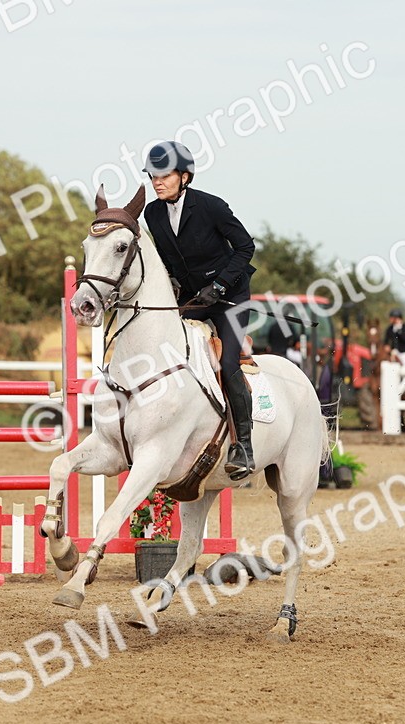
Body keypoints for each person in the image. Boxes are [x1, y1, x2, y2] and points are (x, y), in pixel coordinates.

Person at [142, 140, 257, 480]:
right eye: (153, 177)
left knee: (226, 362)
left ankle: (244, 446)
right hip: (192, 300)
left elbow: (245, 247)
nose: (157, 182)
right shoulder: (152, 213)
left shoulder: (211, 207)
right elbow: (166, 259)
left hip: (229, 298)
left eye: (164, 175)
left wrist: (220, 285)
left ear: (185, 176)